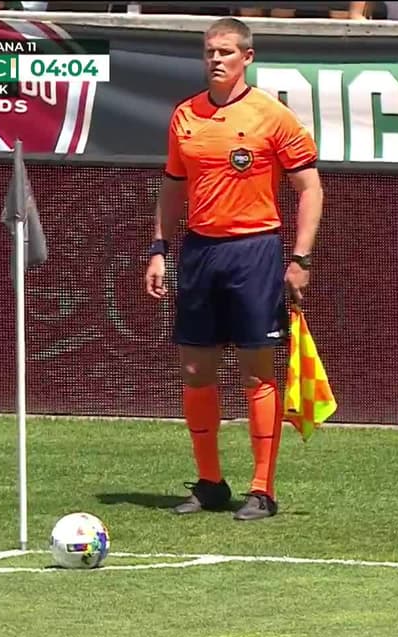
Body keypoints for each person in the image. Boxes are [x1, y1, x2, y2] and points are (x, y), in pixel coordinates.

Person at [144, 17, 323, 522]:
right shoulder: (185, 116)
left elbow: (310, 188)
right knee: (195, 369)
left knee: (256, 370)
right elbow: (173, 187)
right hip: (199, 252)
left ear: (247, 57)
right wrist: (158, 248)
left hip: (254, 252)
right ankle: (210, 484)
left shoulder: (273, 116)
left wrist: (300, 258)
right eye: (209, 51)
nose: (215, 59)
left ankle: (262, 489)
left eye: (225, 51)